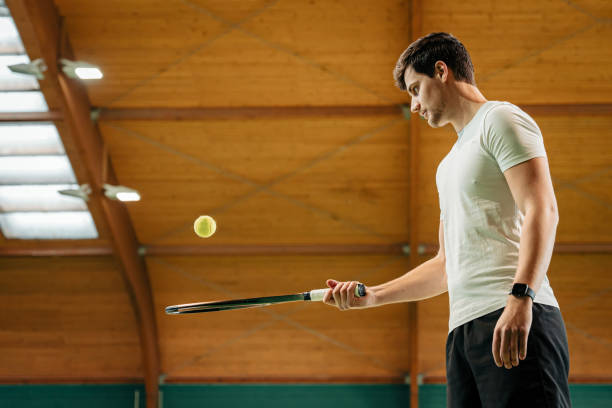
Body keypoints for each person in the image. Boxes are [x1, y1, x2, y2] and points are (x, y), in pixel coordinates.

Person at [322, 32, 571, 407]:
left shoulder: (500, 120)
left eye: (416, 89)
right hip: (463, 334)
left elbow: (542, 209)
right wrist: (373, 296)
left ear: (441, 71)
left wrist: (521, 298)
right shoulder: (448, 165)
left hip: (515, 316)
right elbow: (445, 265)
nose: (415, 106)